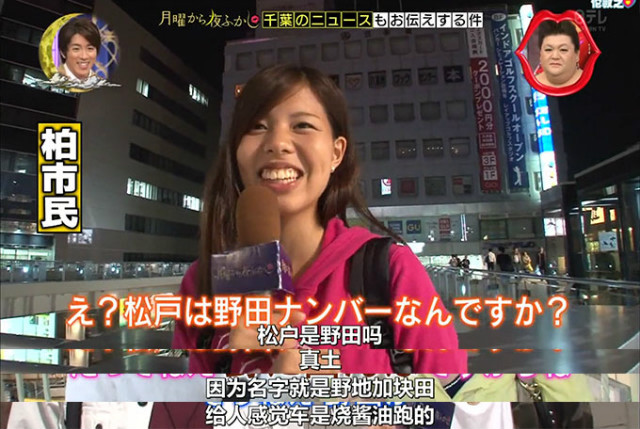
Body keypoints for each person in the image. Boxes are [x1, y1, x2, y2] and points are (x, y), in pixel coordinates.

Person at [172, 64, 466, 374]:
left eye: (302, 125)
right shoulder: (202, 282)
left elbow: (457, 399)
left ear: (336, 153)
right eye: (257, 126)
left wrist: (341, 398)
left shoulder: (391, 270)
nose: (277, 143)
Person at [535, 20, 583, 88]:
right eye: (548, 49)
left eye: (563, 50)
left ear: (577, 54)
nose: (555, 56)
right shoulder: (530, 85)